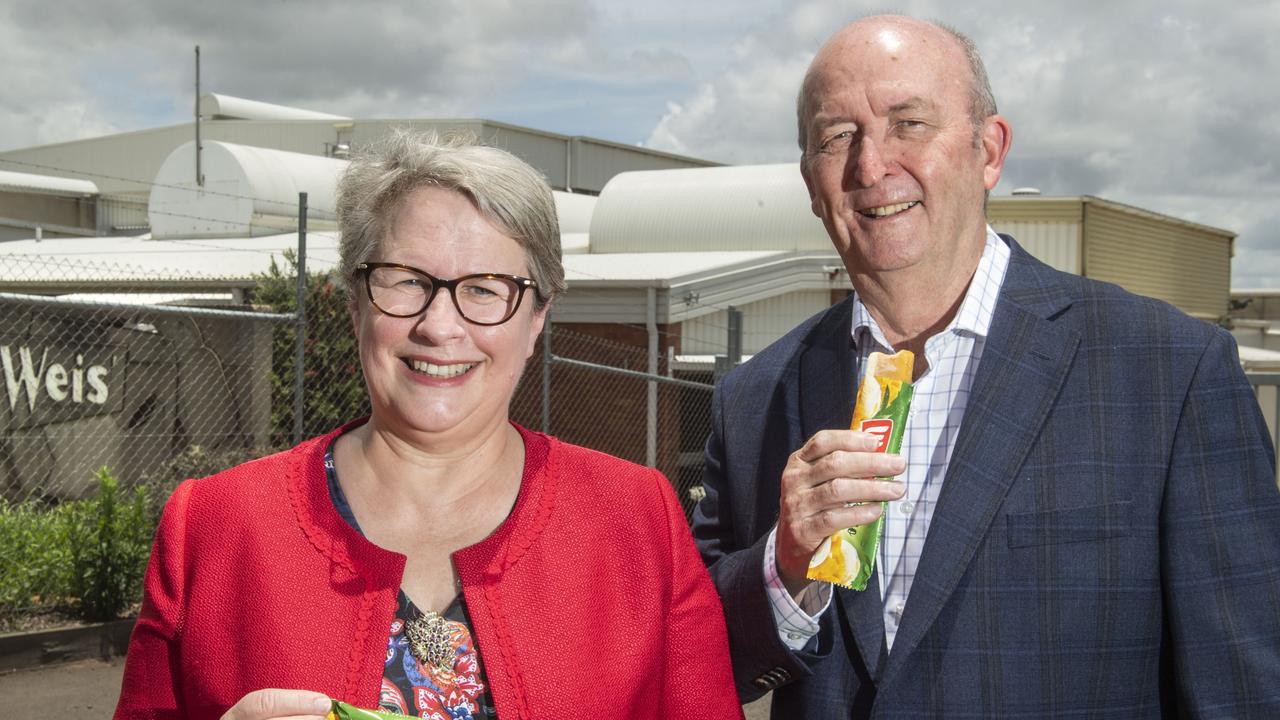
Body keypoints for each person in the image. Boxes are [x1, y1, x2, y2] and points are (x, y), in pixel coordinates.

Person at [693, 14, 1280, 718]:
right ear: (812, 182)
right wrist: (782, 567)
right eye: (837, 137)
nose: (872, 165)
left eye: (908, 123)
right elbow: (696, 657)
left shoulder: (1169, 373)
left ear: (989, 150)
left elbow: (1243, 690)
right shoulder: (755, 399)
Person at [115, 132, 743, 720]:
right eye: (408, 281)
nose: (440, 326)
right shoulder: (217, 524)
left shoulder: (635, 519)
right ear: (357, 302)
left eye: (485, 288)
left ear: (536, 320)